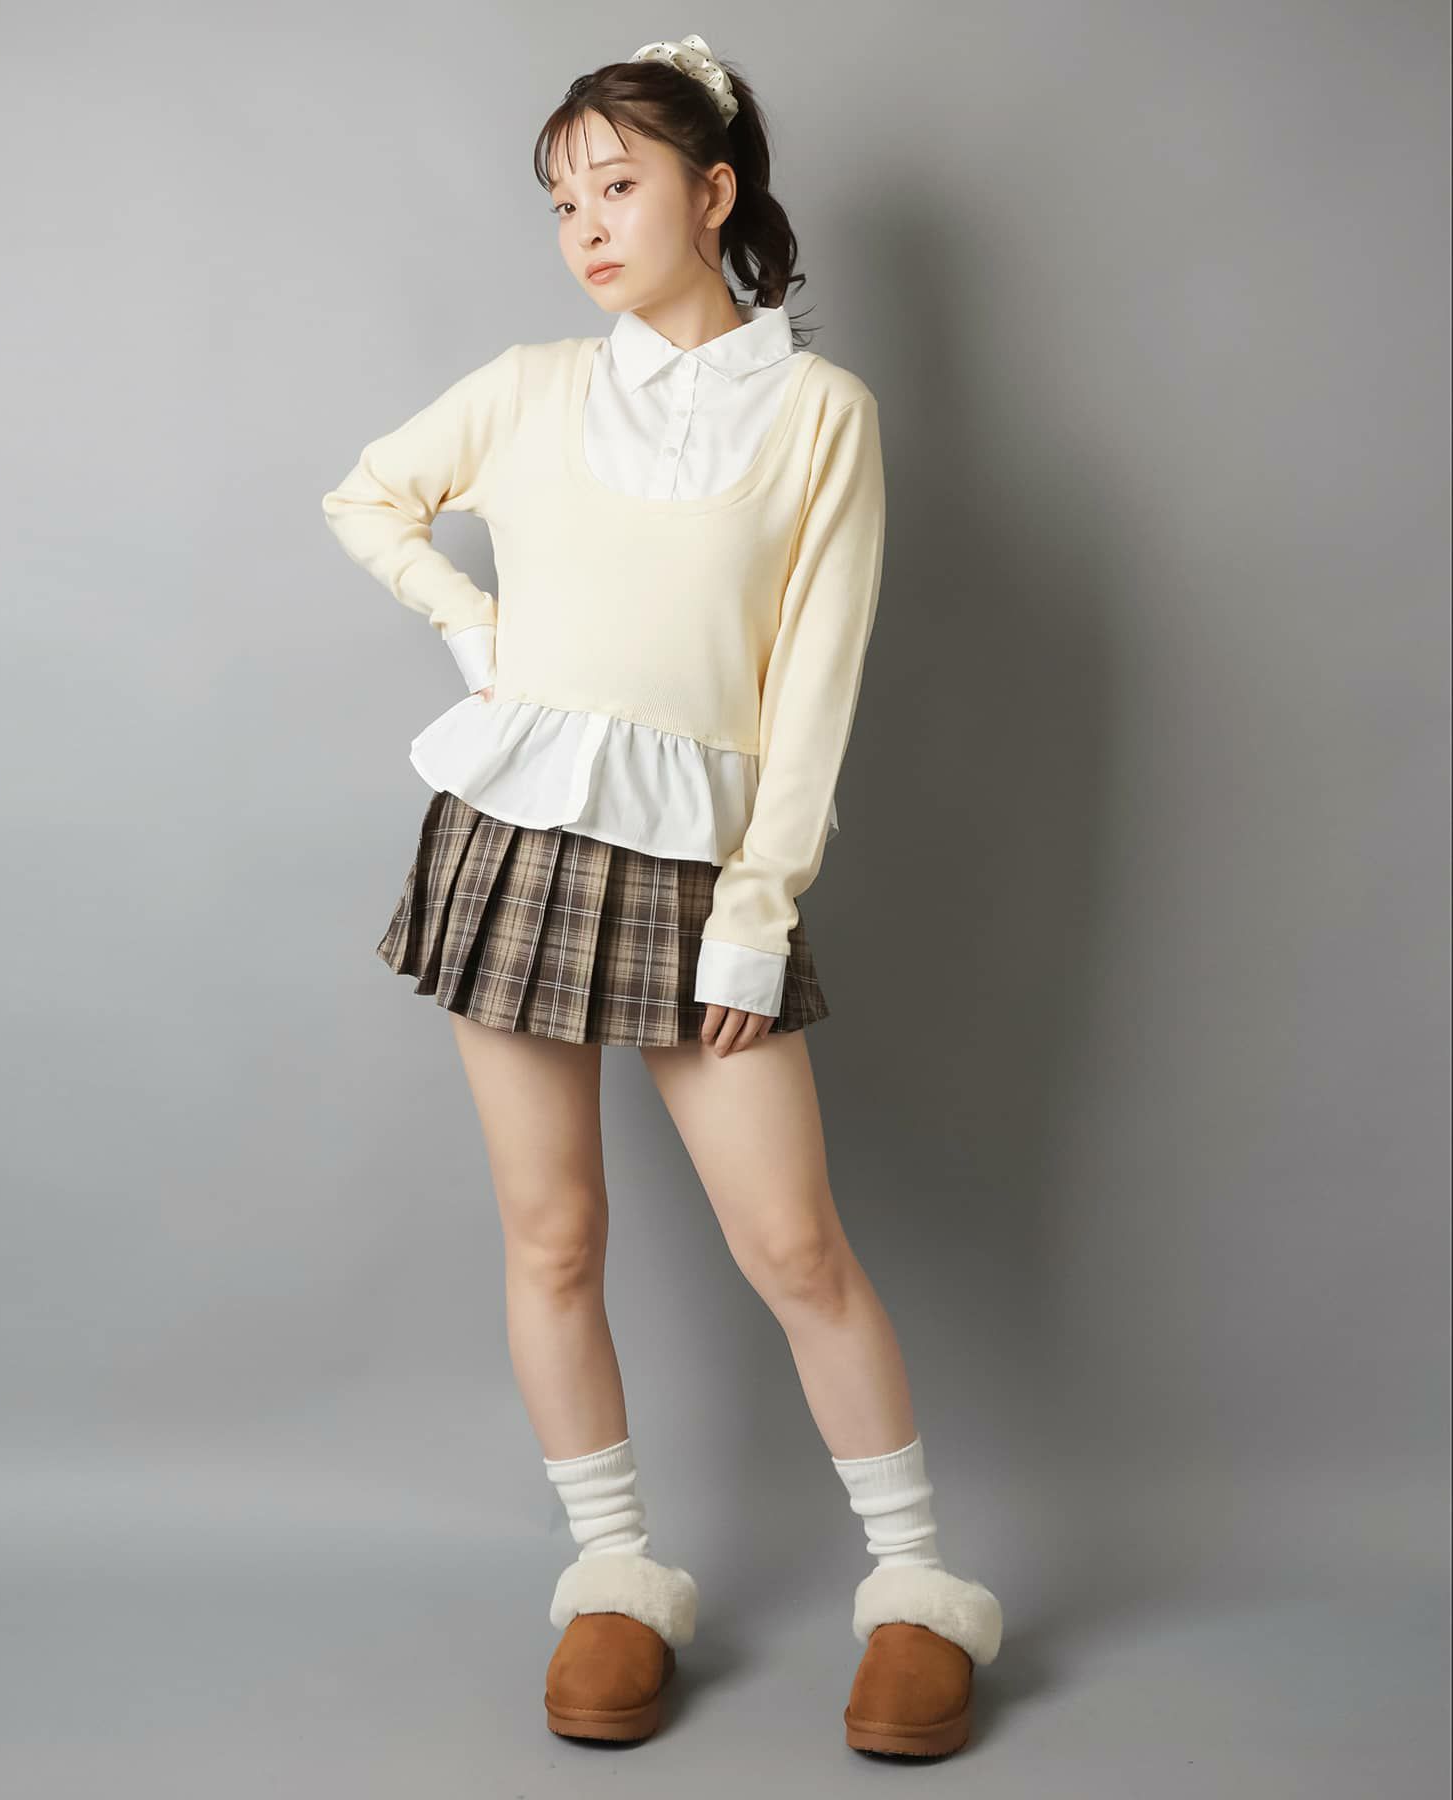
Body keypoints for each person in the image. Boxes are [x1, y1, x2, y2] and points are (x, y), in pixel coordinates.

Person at [321, 30, 1002, 1759]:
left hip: (705, 871)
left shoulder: (824, 417)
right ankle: (615, 1574)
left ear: (714, 193)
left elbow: (816, 690)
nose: (586, 228)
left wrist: (759, 914)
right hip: (513, 844)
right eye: (561, 203)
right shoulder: (531, 385)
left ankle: (916, 1589)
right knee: (554, 1236)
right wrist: (476, 628)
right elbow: (369, 496)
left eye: (616, 187)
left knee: (795, 1245)